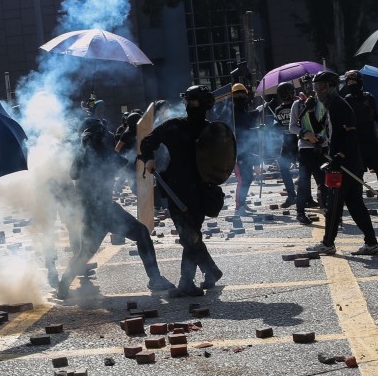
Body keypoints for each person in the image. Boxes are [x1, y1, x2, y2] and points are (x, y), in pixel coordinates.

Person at [57, 121, 175, 298]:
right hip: (103, 212)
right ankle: (155, 279)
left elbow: (77, 172)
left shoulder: (87, 156)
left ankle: (64, 285)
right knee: (140, 234)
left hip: (95, 212)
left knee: (86, 252)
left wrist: (84, 149)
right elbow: (120, 163)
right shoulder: (95, 154)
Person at [140, 85, 226, 296]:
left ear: (205, 105)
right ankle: (210, 271)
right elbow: (148, 141)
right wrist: (149, 157)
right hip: (175, 190)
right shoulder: (174, 126)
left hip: (201, 191)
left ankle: (188, 281)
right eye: (188, 101)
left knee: (191, 235)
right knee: (189, 235)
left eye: (194, 102)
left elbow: (223, 159)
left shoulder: (211, 130)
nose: (190, 105)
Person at [305, 71, 378, 257]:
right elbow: (319, 129)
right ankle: (371, 243)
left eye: (321, 87)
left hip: (345, 165)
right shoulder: (331, 107)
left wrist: (340, 154)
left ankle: (328, 244)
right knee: (355, 205)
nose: (318, 91)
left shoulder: (340, 105)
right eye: (315, 88)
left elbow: (351, 133)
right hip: (345, 163)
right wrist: (310, 111)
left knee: (333, 205)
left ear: (332, 87)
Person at [341, 70, 378, 209]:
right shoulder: (347, 99)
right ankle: (357, 203)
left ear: (360, 82)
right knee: (358, 173)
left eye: (353, 82)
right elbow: (344, 120)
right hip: (356, 142)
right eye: (348, 82)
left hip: (371, 140)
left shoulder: (369, 97)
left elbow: (375, 117)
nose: (350, 84)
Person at [290, 74, 328, 225]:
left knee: (324, 182)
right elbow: (292, 126)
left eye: (312, 85)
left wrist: (323, 138)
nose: (309, 88)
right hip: (305, 149)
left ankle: (327, 209)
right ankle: (300, 212)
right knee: (304, 182)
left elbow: (329, 125)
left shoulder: (324, 103)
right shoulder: (297, 105)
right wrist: (305, 134)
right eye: (305, 85)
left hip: (322, 147)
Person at [266, 82, 298, 207]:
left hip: (294, 141)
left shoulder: (284, 108)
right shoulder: (292, 107)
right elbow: (278, 127)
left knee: (305, 169)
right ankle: (293, 196)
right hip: (291, 141)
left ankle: (301, 196)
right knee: (287, 168)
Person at [231, 83, 257, 213]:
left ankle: (243, 202)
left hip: (246, 149)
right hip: (237, 150)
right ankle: (239, 206)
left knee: (249, 177)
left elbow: (247, 125)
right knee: (242, 179)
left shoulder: (243, 109)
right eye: (238, 93)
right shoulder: (231, 111)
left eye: (243, 93)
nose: (241, 96)